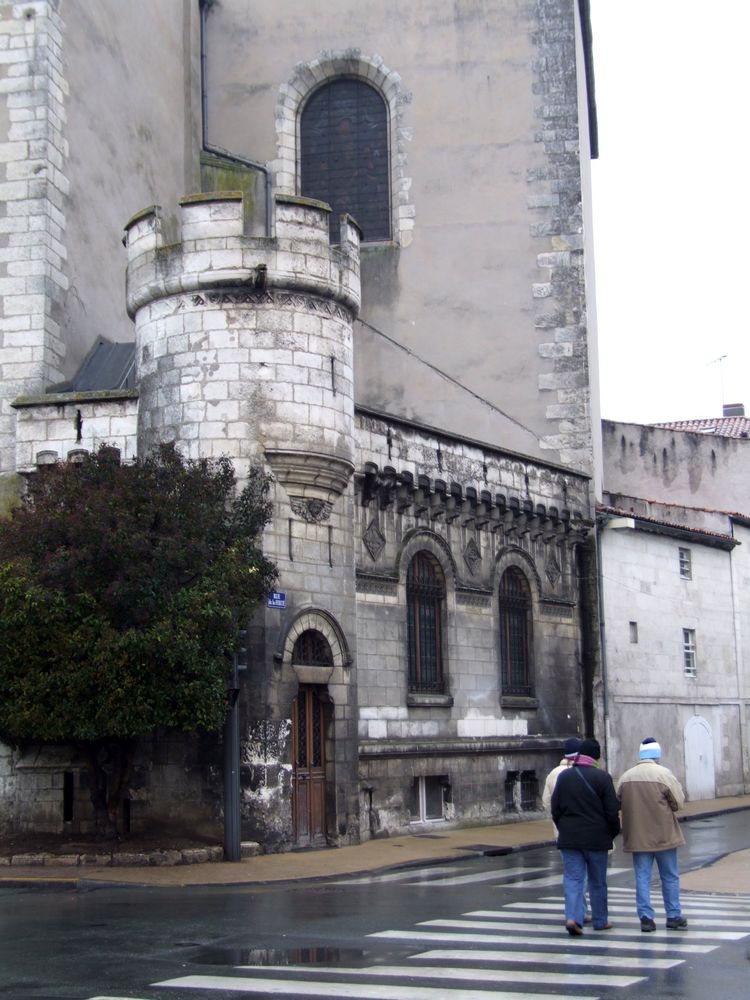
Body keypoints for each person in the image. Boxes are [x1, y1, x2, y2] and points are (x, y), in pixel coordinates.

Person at [616, 737, 688, 932]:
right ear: (657, 755)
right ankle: (673, 915)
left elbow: (618, 802)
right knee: (669, 876)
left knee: (642, 877)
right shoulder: (664, 774)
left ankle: (646, 918)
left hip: (638, 836)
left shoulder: (626, 777)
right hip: (664, 835)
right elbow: (679, 803)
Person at [551, 737, 620, 936]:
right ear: (595, 758)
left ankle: (573, 917)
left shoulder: (565, 777)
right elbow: (612, 811)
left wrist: (564, 828)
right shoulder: (603, 778)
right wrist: (612, 833)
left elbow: (555, 808)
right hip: (597, 839)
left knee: (573, 879)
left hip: (570, 838)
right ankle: (600, 920)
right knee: (597, 881)